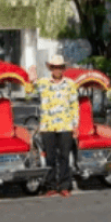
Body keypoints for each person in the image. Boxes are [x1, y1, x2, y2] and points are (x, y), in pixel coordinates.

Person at [30, 54, 78, 197]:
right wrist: (32, 77)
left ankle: (64, 185)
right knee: (50, 157)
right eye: (54, 67)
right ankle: (50, 185)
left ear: (63, 68)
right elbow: (30, 90)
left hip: (65, 125)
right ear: (50, 68)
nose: (57, 70)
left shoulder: (70, 84)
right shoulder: (43, 83)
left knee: (64, 156)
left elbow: (74, 105)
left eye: (60, 67)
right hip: (48, 125)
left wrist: (75, 125)